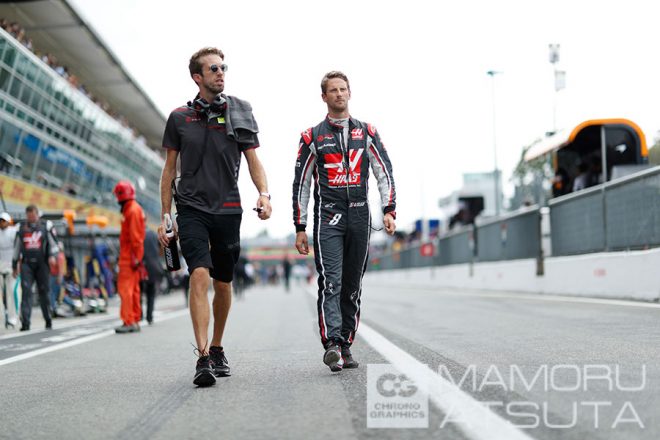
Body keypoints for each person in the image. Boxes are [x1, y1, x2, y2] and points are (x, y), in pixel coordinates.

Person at [158, 47, 272, 387]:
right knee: (198, 274)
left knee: (223, 283)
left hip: (228, 209)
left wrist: (264, 194)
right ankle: (203, 356)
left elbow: (253, 161)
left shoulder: (239, 111)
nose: (221, 73)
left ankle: (218, 346)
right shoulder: (179, 117)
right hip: (191, 208)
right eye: (213, 69)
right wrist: (165, 215)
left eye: (223, 67)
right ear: (198, 77)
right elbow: (169, 170)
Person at [292, 71, 397, 372]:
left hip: (360, 215)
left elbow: (383, 172)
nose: (339, 94)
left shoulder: (367, 132)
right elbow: (301, 185)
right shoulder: (311, 137)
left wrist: (389, 210)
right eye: (333, 90)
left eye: (343, 89)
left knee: (352, 285)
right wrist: (300, 226)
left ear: (350, 93)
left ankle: (346, 343)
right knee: (331, 281)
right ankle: (333, 344)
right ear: (323, 97)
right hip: (328, 217)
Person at [12, 205, 58, 331]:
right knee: (26, 291)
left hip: (42, 263)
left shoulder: (46, 226)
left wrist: (52, 256)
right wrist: (14, 264)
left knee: (44, 291)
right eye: (29, 216)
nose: (31, 218)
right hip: (27, 264)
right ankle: (25, 323)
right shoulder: (21, 227)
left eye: (33, 215)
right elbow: (17, 247)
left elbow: (54, 244)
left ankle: (48, 319)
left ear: (37, 214)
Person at [113, 180, 146, 334]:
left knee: (125, 289)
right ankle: (134, 320)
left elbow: (136, 238)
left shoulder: (131, 211)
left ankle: (128, 321)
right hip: (132, 257)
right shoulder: (133, 209)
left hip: (129, 258)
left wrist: (136, 258)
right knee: (133, 290)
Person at [0, 212, 19, 328]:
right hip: (1, 266)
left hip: (12, 266)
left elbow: (18, 249)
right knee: (3, 294)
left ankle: (13, 318)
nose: (1, 223)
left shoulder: (14, 232)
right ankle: (4, 317)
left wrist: (17, 266)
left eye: (3, 221)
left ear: (8, 222)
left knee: (12, 291)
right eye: (0, 221)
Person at [142, 226, 163, 325]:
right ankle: (149, 317)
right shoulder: (154, 234)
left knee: (139, 292)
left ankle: (139, 315)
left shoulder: (139, 234)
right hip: (154, 266)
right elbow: (161, 248)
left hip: (142, 266)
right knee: (151, 293)